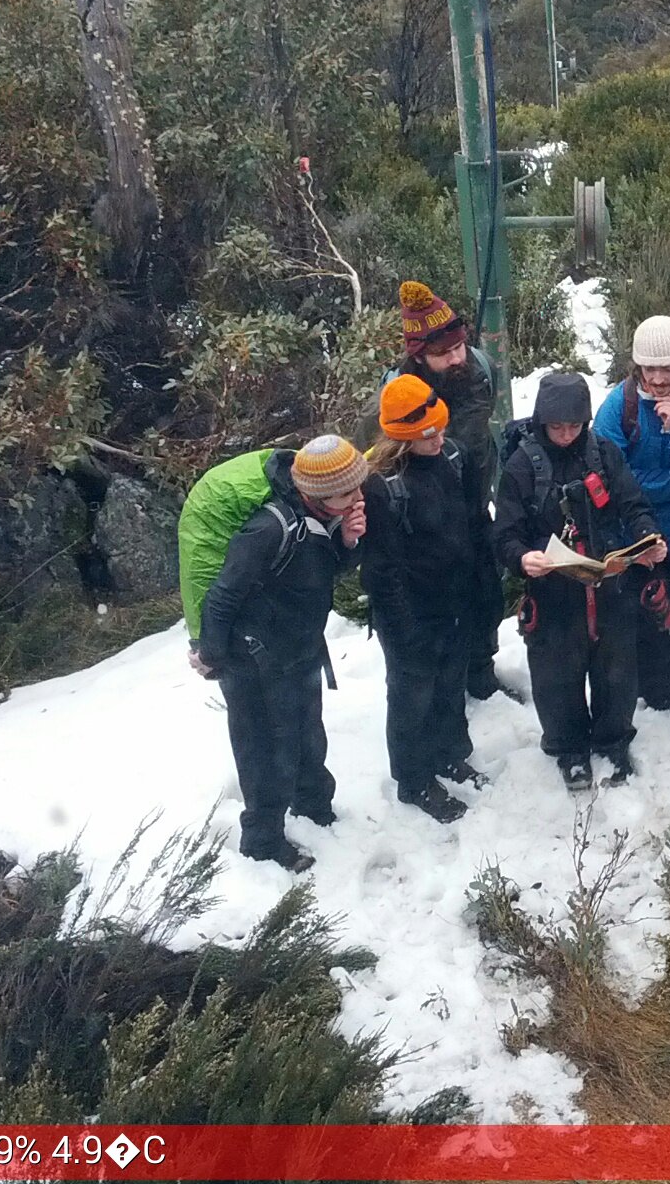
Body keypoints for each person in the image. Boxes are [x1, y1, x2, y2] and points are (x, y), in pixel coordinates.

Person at [197, 434, 369, 873]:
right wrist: (212, 655)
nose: (358, 497)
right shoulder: (268, 528)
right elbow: (222, 596)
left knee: (308, 735)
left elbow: (314, 570)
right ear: (319, 493)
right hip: (254, 660)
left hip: (298, 648)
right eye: (348, 491)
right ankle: (262, 842)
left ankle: (315, 807)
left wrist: (348, 542)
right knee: (263, 750)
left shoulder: (316, 516)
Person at [491, 372, 666, 790]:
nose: (566, 435)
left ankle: (613, 741)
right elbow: (504, 535)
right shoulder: (522, 466)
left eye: (574, 426)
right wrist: (522, 558)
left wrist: (647, 538)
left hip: (609, 582)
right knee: (557, 677)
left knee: (617, 672)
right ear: (541, 422)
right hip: (553, 590)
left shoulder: (603, 454)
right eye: (557, 427)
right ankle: (569, 750)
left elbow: (632, 503)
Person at [361, 375, 501, 825]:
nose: (440, 439)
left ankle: (452, 754)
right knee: (411, 696)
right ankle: (414, 779)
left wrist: (484, 589)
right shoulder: (383, 487)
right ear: (402, 437)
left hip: (456, 600)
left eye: (441, 429)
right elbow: (381, 571)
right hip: (410, 614)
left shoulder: (455, 458)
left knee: (450, 684)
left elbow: (476, 523)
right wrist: (404, 630)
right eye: (429, 436)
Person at [368, 280, 501, 701]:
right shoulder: (395, 395)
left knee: (485, 592)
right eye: (444, 353)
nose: (457, 357)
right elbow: (377, 455)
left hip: (474, 497)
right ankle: (445, 687)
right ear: (419, 356)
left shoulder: (480, 367)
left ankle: (483, 671)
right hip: (424, 521)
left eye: (459, 346)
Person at [594, 315, 670, 717]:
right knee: (646, 615)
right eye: (650, 368)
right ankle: (661, 694)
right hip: (638, 535)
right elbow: (612, 474)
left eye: (668, 368)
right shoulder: (617, 408)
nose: (658, 378)